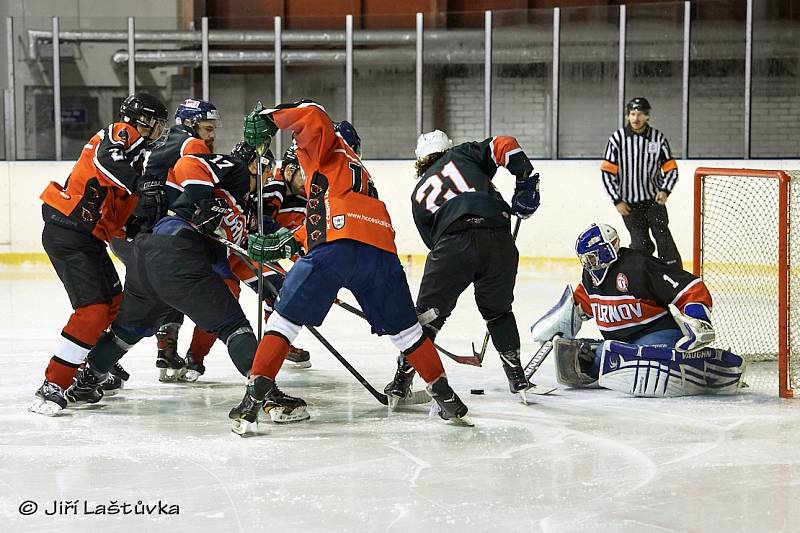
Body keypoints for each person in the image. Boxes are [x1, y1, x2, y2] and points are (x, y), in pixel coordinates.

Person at [230, 100, 472, 435]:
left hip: (334, 247)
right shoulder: (356, 171)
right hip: (380, 250)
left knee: (283, 321)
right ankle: (445, 396)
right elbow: (332, 212)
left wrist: (269, 118)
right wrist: (290, 241)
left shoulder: (325, 147)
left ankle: (253, 399)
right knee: (408, 333)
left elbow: (311, 111)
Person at [67, 143, 307, 422]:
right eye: (265, 173)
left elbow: (239, 259)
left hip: (150, 259)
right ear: (255, 166)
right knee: (233, 326)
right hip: (173, 248)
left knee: (126, 331)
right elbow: (189, 164)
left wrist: (272, 282)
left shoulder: (245, 214)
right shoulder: (237, 172)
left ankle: (86, 380)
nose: (267, 181)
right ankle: (267, 395)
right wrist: (205, 200)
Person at [30, 92, 169, 416]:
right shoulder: (121, 133)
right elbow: (107, 161)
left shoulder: (135, 161)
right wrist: (141, 184)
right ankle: (54, 383)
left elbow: (119, 221)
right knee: (92, 312)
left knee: (115, 307)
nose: (159, 131)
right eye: (157, 123)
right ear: (143, 120)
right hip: (68, 231)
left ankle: (91, 366)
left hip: (86, 238)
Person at [385, 130, 540, 402]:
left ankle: (401, 381)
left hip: (452, 246)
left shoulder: (418, 192)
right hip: (498, 239)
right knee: (498, 312)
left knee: (426, 318)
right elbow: (505, 143)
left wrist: (459, 259)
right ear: (448, 148)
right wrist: (525, 181)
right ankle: (517, 378)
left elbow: (433, 242)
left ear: (420, 160)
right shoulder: (464, 155)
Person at [530, 223, 746, 397]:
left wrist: (698, 319)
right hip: (622, 345)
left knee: (631, 358)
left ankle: (705, 366)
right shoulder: (590, 277)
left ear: (607, 251)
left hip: (656, 335)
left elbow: (689, 287)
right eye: (585, 259)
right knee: (587, 357)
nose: (588, 264)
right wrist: (557, 325)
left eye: (592, 257)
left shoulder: (638, 266)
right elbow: (579, 306)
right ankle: (616, 362)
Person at [109, 97, 222, 382]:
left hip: (132, 231)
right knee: (146, 303)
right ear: (192, 125)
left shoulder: (159, 144)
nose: (212, 135)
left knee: (162, 293)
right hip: (143, 233)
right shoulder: (190, 144)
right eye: (207, 128)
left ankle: (162, 352)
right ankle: (98, 362)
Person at [600, 97, 682, 268]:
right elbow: (607, 173)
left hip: (654, 202)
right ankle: (644, 276)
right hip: (629, 205)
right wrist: (617, 200)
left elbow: (671, 169)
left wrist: (665, 190)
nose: (636, 118)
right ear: (627, 116)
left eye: (640, 114)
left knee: (664, 238)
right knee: (640, 245)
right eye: (632, 114)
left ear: (647, 117)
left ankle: (676, 275)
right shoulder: (618, 139)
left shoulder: (657, 138)